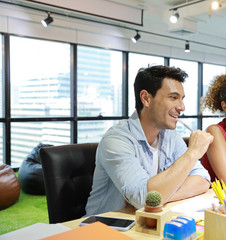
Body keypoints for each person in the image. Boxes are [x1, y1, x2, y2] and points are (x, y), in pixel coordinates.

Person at [85, 65, 213, 216]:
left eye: (182, 99)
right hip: (105, 228)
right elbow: (144, 199)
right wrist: (192, 153)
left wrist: (162, 197)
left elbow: (203, 179)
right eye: (173, 98)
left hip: (148, 222)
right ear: (146, 98)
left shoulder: (170, 136)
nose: (182, 107)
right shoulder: (116, 140)